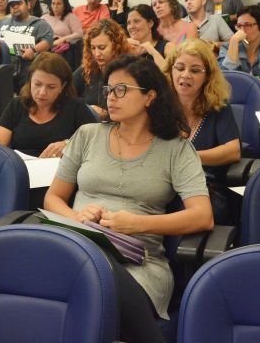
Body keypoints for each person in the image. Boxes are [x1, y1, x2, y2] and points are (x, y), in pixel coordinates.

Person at [44, 55, 213, 343]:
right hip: (77, 242)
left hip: (138, 263)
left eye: (121, 89)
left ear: (149, 97)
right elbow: (53, 198)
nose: (111, 97)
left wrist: (136, 224)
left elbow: (202, 216)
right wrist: (77, 217)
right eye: (108, 90)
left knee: (91, 275)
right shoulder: (87, 135)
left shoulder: (176, 149)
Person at [164, 39, 240, 223]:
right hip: (162, 182)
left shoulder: (217, 106)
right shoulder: (159, 106)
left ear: (208, 76)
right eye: (179, 68)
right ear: (170, 71)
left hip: (204, 185)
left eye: (195, 70)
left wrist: (188, 157)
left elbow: (233, 151)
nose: (185, 75)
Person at [0, 52, 95, 158]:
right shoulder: (17, 105)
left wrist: (68, 144)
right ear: (30, 80)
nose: (42, 92)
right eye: (37, 84)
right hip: (22, 168)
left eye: (51, 87)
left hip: (61, 170)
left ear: (62, 86)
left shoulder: (76, 108)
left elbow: (97, 141)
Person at [0, 0, 54, 88]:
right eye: (12, 5)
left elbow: (47, 41)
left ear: (28, 5)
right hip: (4, 66)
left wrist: (33, 50)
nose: (15, 7)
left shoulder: (39, 23)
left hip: (29, 66)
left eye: (19, 3)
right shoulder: (0, 24)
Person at [74, 19, 131, 119]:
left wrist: (106, 115)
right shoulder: (87, 69)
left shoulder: (129, 70)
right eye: (93, 48)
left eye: (102, 47)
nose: (96, 54)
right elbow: (67, 95)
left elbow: (133, 110)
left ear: (116, 46)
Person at [219, 6, 260, 88]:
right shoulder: (227, 48)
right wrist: (234, 41)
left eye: (247, 25)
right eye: (239, 26)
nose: (242, 30)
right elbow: (224, 79)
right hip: (236, 98)